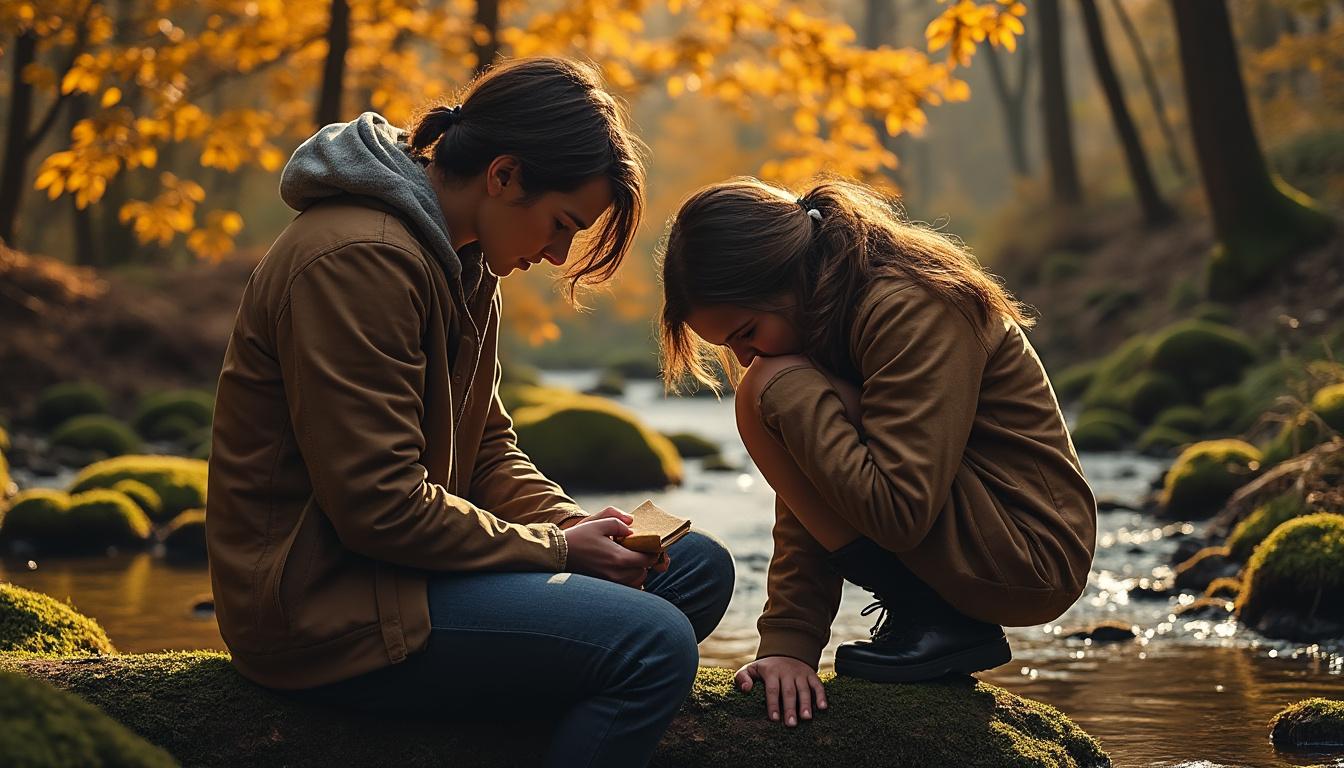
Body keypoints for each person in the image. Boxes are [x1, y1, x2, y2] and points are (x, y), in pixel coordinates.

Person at [206, 57, 735, 768]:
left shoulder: (464, 260)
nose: (559, 254)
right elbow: (378, 507)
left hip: (414, 576)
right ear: (504, 175)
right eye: (561, 225)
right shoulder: (359, 260)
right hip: (329, 607)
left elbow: (485, 447)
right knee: (655, 643)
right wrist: (559, 552)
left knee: (694, 567)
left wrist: (576, 526)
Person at [657, 177, 1096, 728]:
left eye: (747, 332)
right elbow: (810, 492)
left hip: (1026, 552)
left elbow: (899, 511)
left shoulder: (908, 304)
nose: (745, 356)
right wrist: (790, 644)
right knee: (767, 390)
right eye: (730, 345)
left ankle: (932, 617)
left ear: (788, 276)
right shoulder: (828, 315)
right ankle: (932, 617)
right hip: (972, 531)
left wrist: (786, 391)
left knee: (769, 387)